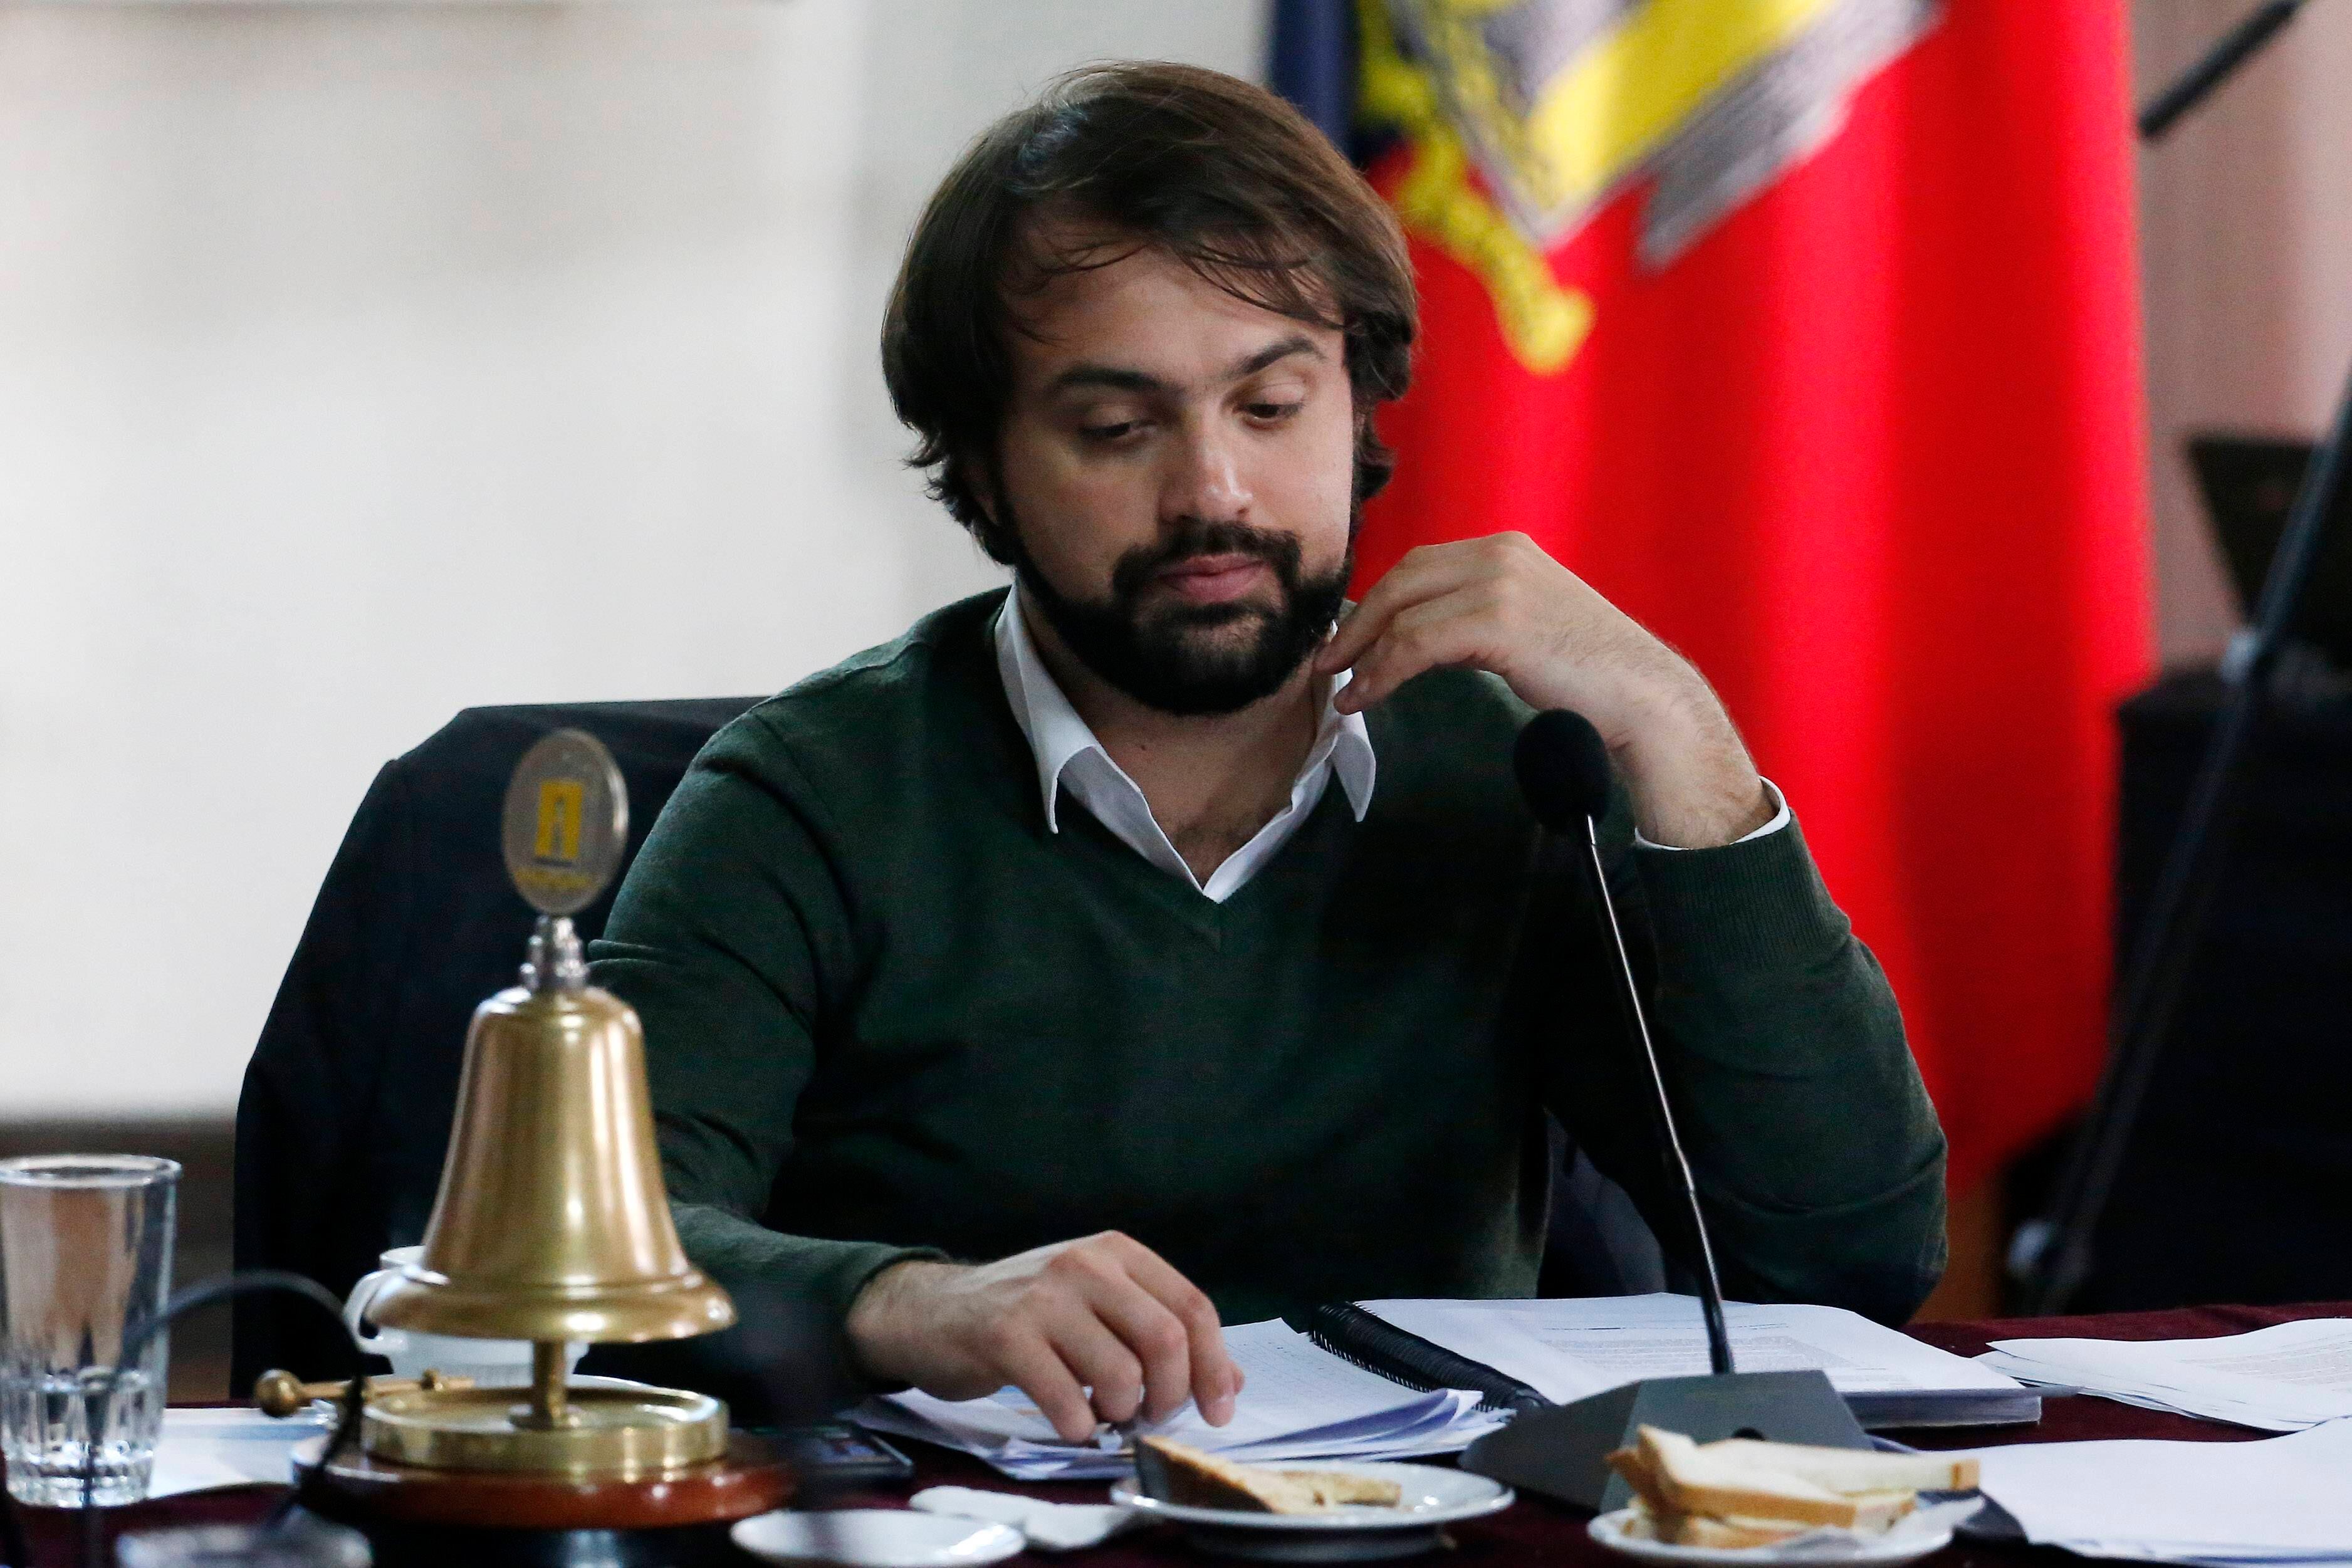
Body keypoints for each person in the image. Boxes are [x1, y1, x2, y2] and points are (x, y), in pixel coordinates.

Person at [588, 61, 1945, 1445]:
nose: (1213, 493)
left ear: (1358, 408)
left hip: (1430, 1521)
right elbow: (586, 1252)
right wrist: (907, 1302)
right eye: (1117, 429)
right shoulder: (808, 796)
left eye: (1271, 407)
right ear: (984, 466)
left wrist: (1680, 735)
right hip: (968, 1521)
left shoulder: (1514, 778)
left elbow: (1848, 1261)